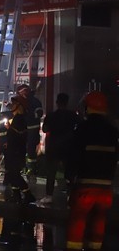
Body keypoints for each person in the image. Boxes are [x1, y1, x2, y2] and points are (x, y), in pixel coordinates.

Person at [66, 91, 118, 251]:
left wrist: (70, 178)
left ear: (88, 108)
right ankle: (95, 247)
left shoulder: (82, 128)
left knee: (79, 218)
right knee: (100, 219)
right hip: (106, 185)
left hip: (85, 183)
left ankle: (74, 247)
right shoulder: (112, 130)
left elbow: (74, 155)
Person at [37, 92, 79, 206]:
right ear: (67, 102)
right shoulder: (73, 116)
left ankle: (49, 196)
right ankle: (71, 196)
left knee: (51, 173)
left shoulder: (51, 116)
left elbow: (45, 129)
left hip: (54, 147)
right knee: (70, 173)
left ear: (57, 102)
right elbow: (78, 129)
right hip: (68, 147)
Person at [2, 95, 35, 204]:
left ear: (19, 106)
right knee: (12, 173)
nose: (12, 106)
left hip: (16, 152)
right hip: (14, 151)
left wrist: (9, 129)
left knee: (14, 174)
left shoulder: (19, 119)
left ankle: (28, 194)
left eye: (15, 103)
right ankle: (16, 195)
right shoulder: (17, 118)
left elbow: (17, 135)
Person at [16, 84, 43, 176]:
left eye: (20, 93)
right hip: (24, 129)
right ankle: (24, 167)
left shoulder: (35, 102)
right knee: (22, 148)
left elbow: (39, 113)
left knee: (31, 150)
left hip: (32, 129)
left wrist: (27, 116)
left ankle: (32, 169)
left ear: (25, 92)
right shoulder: (22, 101)